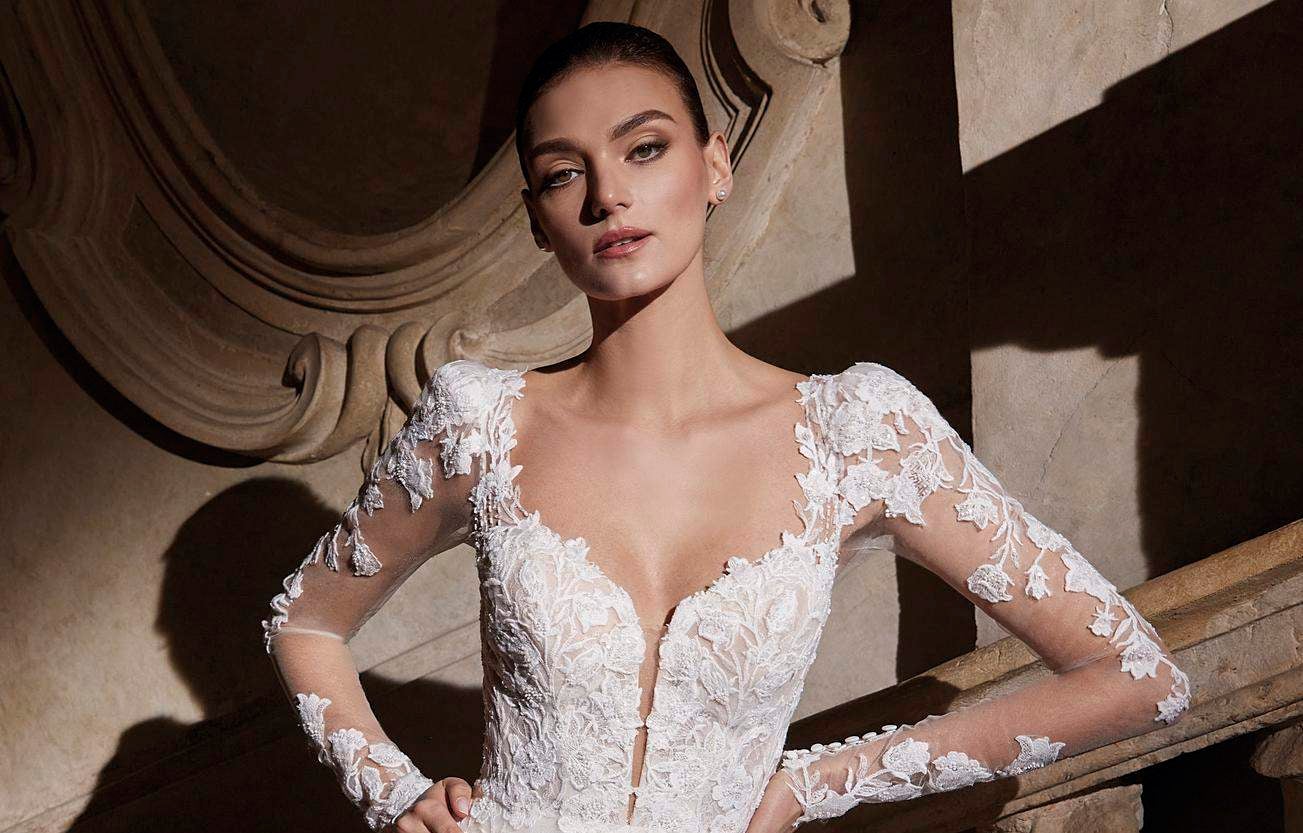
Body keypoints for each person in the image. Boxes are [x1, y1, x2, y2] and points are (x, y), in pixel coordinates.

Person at [259, 21, 1192, 833]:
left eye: (643, 149)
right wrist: (392, 791)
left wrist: (815, 783)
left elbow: (1135, 677)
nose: (606, 198)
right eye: (560, 175)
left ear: (714, 165)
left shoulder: (855, 431)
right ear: (539, 221)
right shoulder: (480, 422)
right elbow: (304, 624)